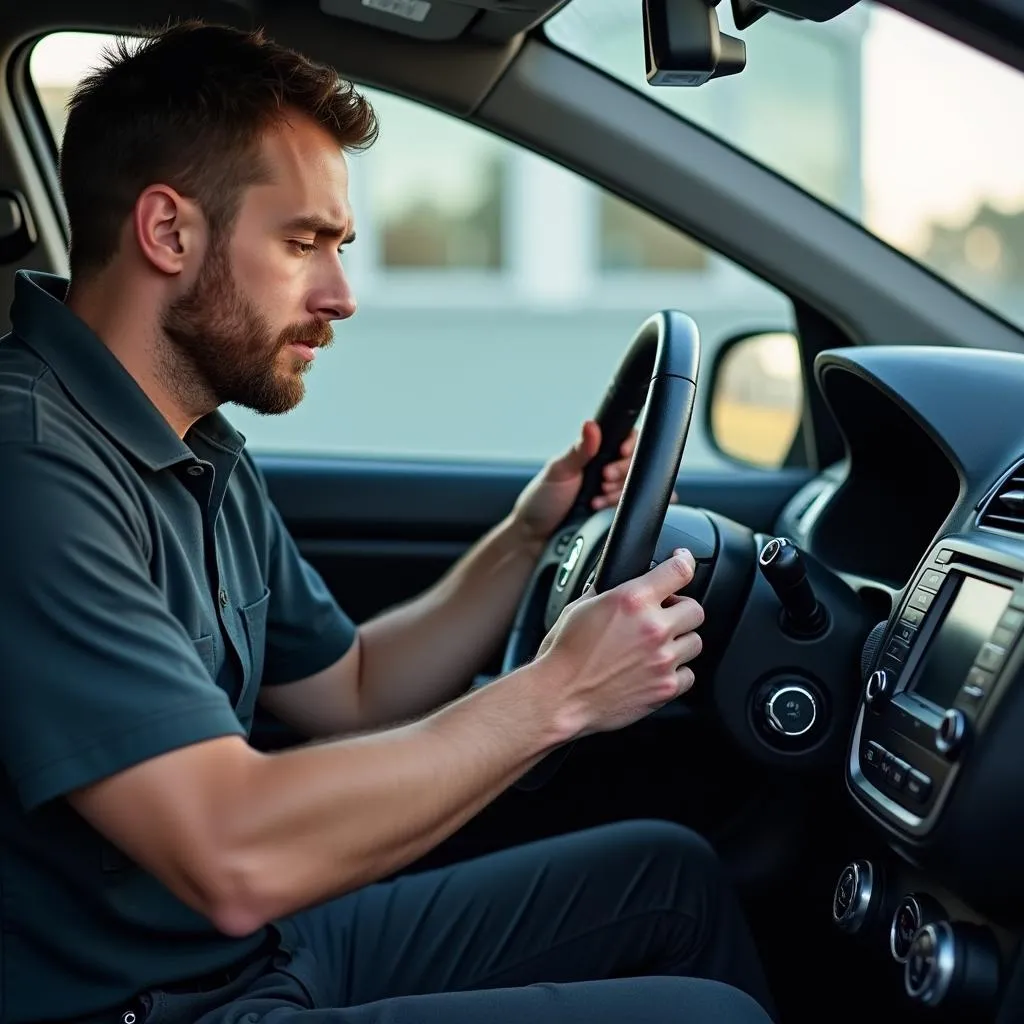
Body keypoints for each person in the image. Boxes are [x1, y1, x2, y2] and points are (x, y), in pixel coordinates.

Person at [0, 20, 776, 1024]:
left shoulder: (196, 448)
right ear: (168, 232)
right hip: (153, 1002)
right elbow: (231, 854)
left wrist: (529, 533)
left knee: (666, 876)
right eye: (303, 243)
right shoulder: (32, 471)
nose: (341, 295)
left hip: (256, 947)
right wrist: (562, 693)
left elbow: (355, 690)